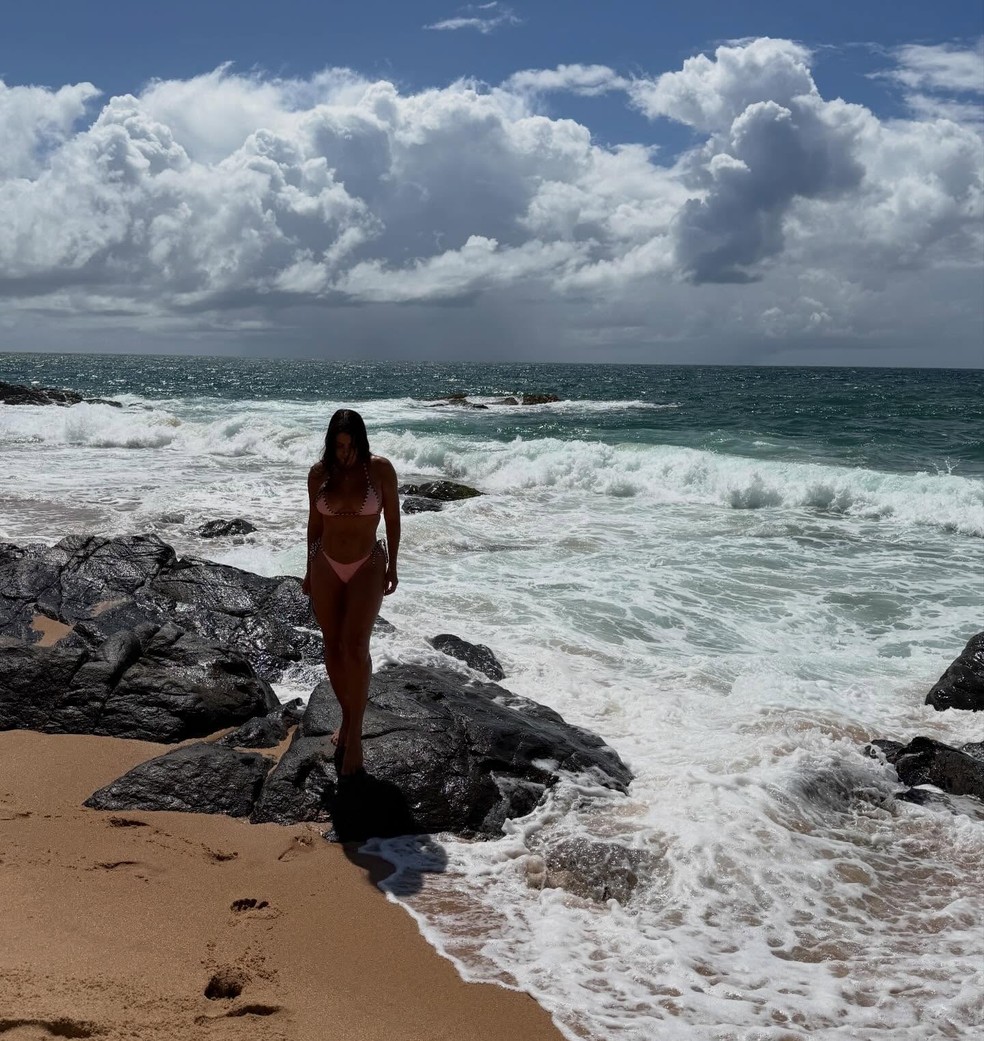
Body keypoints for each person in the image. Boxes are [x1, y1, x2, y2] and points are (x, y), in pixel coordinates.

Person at [302, 409, 400, 776]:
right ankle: (346, 717)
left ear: (361, 440)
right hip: (325, 563)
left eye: (351, 444)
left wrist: (394, 564)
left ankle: (355, 737)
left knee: (356, 647)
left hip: (368, 564)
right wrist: (308, 569)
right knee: (333, 645)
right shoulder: (319, 474)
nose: (345, 452)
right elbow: (314, 523)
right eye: (338, 445)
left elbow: (392, 518)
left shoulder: (380, 470)